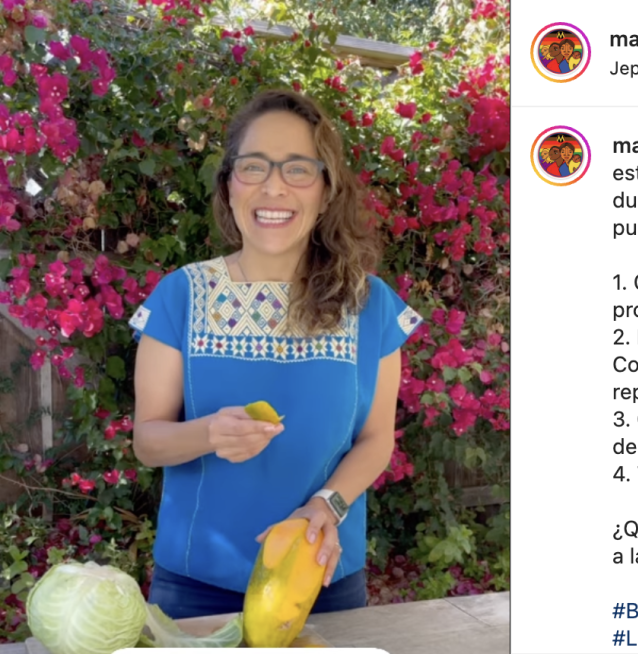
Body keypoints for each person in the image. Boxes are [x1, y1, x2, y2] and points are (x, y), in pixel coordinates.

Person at [128, 88, 422, 620]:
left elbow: (376, 440)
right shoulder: (181, 295)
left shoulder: (371, 305)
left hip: (321, 580)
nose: (274, 187)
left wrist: (324, 506)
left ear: (326, 190)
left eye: (298, 169)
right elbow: (148, 441)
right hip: (194, 590)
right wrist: (207, 433)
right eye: (254, 166)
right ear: (229, 185)